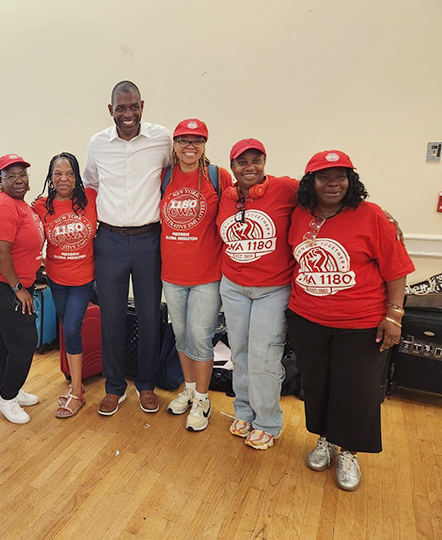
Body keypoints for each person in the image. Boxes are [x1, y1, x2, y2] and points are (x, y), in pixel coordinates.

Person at [286, 150, 414, 491]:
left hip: (360, 323)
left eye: (340, 177)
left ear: (350, 181)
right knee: (317, 385)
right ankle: (326, 439)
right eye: (324, 177)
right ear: (310, 182)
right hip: (308, 318)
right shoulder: (299, 214)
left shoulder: (372, 216)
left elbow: (396, 269)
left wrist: (394, 315)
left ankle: (349, 451)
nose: (333, 184)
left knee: (356, 390)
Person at [82, 80, 172, 416]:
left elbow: (177, 173)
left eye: (134, 106)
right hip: (110, 241)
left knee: (149, 316)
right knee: (112, 318)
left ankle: (146, 385)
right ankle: (114, 387)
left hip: (150, 239)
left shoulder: (162, 139)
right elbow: (90, 183)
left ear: (142, 106)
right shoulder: (98, 143)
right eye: (121, 108)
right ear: (111, 110)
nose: (128, 114)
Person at [216, 139, 298, 450]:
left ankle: (267, 422)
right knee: (240, 354)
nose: (250, 167)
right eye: (242, 162)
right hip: (233, 287)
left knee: (265, 357)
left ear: (264, 163)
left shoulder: (285, 188)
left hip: (272, 289)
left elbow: (326, 196)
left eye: (256, 161)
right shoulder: (227, 198)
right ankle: (244, 412)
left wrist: (377, 213)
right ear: (233, 167)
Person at [160, 119, 233, 431]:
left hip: (207, 275)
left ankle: (203, 399)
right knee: (181, 336)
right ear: (175, 145)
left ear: (205, 144)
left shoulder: (218, 176)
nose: (190, 146)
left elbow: (236, 214)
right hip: (172, 273)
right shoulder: (165, 176)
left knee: (200, 338)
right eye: (183, 140)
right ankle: (189, 390)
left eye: (197, 140)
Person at [0, 154, 44, 424]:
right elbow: (0, 253)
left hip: (13, 282)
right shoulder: (4, 205)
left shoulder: (22, 205)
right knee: (26, 339)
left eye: (22, 175)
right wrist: (18, 288)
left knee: (6, 338)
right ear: (0, 180)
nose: (18, 179)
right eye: (11, 175)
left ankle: (10, 390)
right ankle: (6, 396)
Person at [34, 152, 97, 418]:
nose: (64, 178)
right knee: (68, 330)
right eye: (58, 173)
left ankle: (77, 391)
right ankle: (75, 384)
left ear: (77, 177)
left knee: (71, 328)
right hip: (56, 279)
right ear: (50, 177)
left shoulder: (90, 198)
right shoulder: (41, 206)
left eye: (69, 173)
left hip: (83, 279)